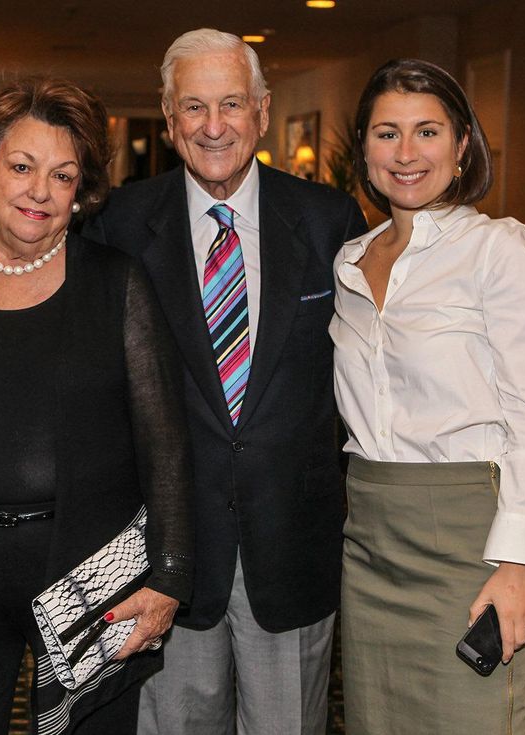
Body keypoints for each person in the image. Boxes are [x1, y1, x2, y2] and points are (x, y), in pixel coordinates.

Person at [85, 28, 367, 735]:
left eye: (232, 104)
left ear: (263, 112)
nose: (214, 127)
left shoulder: (328, 221)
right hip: (169, 552)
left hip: (293, 541)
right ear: (169, 114)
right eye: (194, 108)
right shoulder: (119, 224)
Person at [0, 77, 194, 735]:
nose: (39, 190)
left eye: (63, 174)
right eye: (21, 166)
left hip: (93, 572)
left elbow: (166, 444)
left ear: (83, 192)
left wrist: (169, 577)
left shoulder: (116, 282)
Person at [331, 58, 525, 733]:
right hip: (369, 540)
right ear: (364, 149)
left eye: (427, 131)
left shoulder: (498, 250)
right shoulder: (348, 261)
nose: (406, 154)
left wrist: (519, 560)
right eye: (386, 133)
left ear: (463, 146)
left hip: (470, 542)